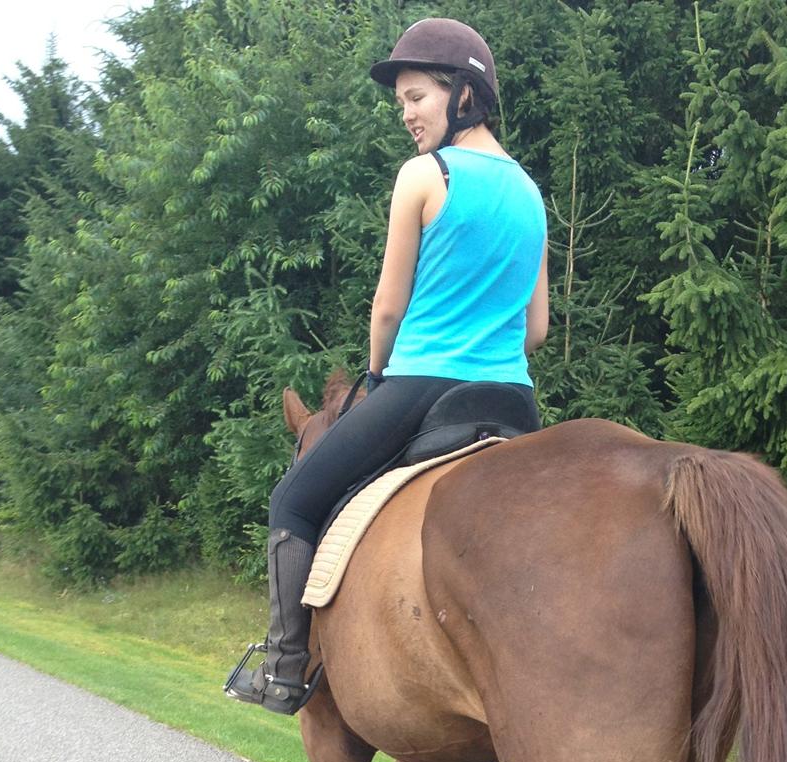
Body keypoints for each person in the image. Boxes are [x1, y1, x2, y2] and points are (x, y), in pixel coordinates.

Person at [226, 17, 549, 714]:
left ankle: (283, 671)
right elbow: (538, 330)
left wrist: (376, 377)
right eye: (401, 102)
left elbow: (386, 310)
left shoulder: (424, 176)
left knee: (293, 500)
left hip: (421, 386)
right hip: (512, 401)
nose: (405, 115)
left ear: (463, 94)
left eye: (416, 97)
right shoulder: (530, 192)